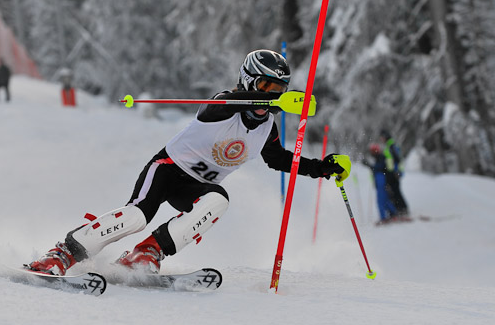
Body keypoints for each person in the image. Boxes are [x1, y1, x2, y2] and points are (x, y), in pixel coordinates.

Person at [27, 49, 348, 276]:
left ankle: (146, 253)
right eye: (265, 87)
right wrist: (271, 100)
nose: (272, 95)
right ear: (249, 82)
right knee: (137, 216)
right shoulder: (223, 103)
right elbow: (221, 107)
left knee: (218, 200)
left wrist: (323, 167)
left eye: (279, 89)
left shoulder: (266, 128)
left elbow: (279, 160)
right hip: (167, 169)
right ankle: (63, 253)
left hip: (195, 185)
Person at [362, 143, 398, 224]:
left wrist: (369, 165)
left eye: (372, 151)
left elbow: (378, 168)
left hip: (381, 180)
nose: (371, 153)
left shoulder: (380, 157)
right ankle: (393, 213)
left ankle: (384, 217)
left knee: (381, 200)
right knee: (384, 199)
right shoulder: (378, 157)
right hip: (380, 180)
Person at [379, 129, 409, 215]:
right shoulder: (389, 145)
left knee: (396, 191)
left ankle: (403, 209)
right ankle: (399, 209)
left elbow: (397, 159)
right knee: (394, 191)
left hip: (394, 173)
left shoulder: (391, 145)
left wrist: (397, 171)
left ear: (385, 137)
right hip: (391, 173)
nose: (381, 139)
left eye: (382, 137)